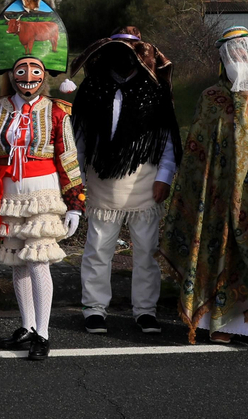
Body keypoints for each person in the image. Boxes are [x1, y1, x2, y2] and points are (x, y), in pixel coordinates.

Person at [159, 26, 248, 346]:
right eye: (230, 53)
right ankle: (218, 323)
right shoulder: (212, 98)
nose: (237, 58)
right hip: (219, 195)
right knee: (218, 251)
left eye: (242, 51)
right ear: (223, 58)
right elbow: (197, 148)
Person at [0, 0, 83, 361]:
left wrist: (75, 203)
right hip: (8, 192)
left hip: (43, 190)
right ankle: (27, 325)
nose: (28, 76)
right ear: (12, 74)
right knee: (17, 260)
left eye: (35, 70)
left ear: (44, 75)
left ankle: (44, 333)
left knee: (38, 261)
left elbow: (68, 157)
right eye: (21, 70)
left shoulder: (56, 111)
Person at [68, 27, 179, 336]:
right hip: (101, 180)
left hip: (145, 180)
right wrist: (76, 180)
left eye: (133, 50)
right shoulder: (93, 87)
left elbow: (167, 138)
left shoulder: (155, 90)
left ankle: (145, 310)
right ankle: (94, 308)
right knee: (98, 249)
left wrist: (165, 176)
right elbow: (79, 137)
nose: (126, 56)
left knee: (146, 251)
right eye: (120, 49)